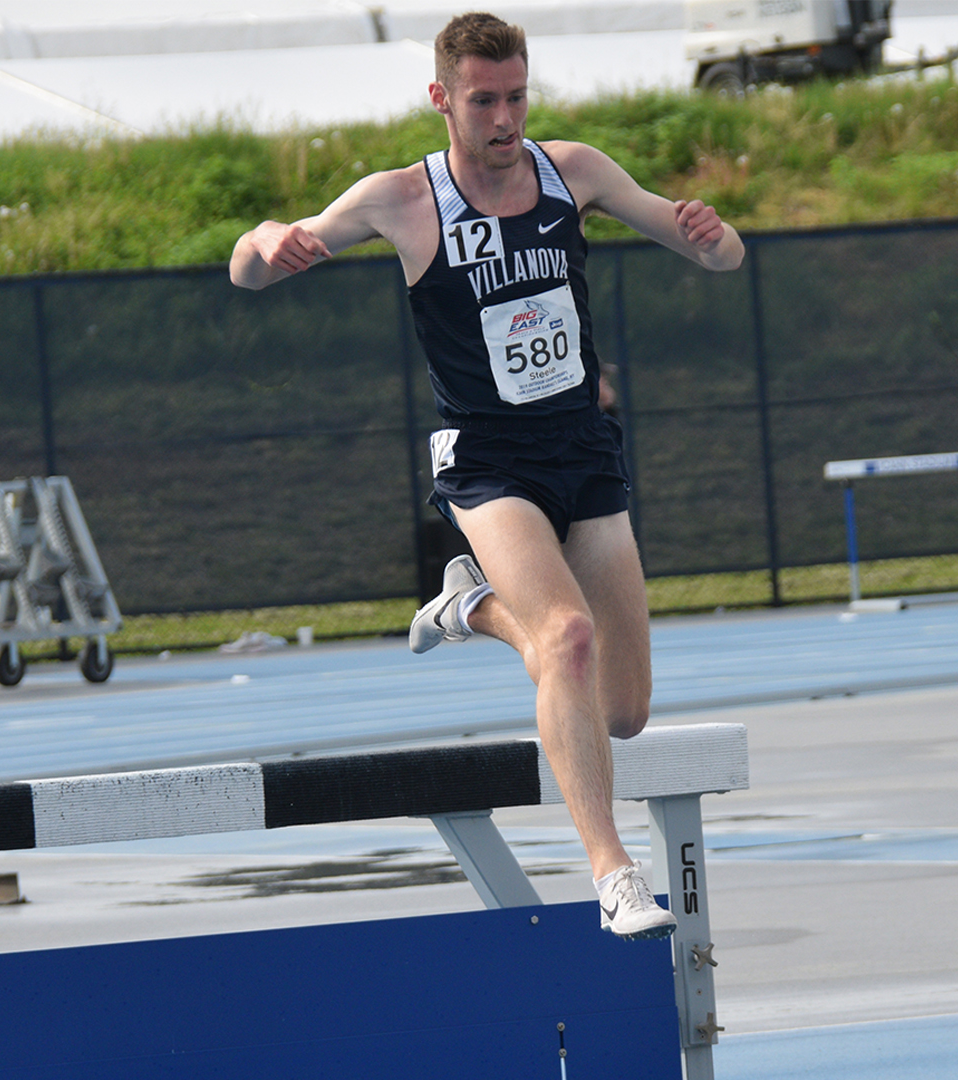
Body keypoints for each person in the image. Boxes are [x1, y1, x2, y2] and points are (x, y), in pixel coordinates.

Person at [229, 11, 743, 940]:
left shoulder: (572, 172)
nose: (505, 120)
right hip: (488, 462)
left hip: (583, 453)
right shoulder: (401, 200)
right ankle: (613, 872)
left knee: (622, 712)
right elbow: (247, 274)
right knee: (570, 638)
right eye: (483, 102)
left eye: (516, 97)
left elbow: (713, 249)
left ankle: (472, 607)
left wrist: (711, 237)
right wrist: (266, 240)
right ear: (442, 101)